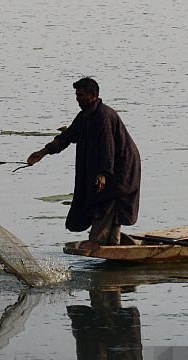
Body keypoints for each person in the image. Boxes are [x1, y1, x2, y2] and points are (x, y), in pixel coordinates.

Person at [26, 77, 141, 249]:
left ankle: (98, 240)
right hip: (111, 167)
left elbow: (107, 147)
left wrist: (103, 173)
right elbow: (67, 136)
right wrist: (42, 153)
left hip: (121, 168)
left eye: (81, 95)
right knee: (109, 203)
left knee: (105, 200)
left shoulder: (103, 117)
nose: (78, 98)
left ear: (93, 95)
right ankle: (113, 242)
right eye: (77, 95)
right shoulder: (85, 116)